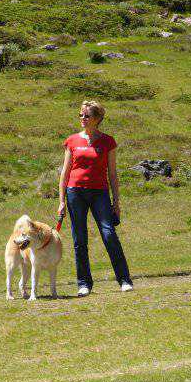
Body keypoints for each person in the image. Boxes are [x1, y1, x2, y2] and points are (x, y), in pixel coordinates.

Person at [58, 100, 134, 297]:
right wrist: (61, 201)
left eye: (87, 115)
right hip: (75, 192)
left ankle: (124, 280)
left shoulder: (108, 141)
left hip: (100, 192)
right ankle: (84, 284)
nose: (83, 119)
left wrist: (116, 202)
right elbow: (64, 174)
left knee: (109, 234)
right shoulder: (72, 140)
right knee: (79, 239)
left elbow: (113, 174)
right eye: (81, 115)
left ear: (97, 119)